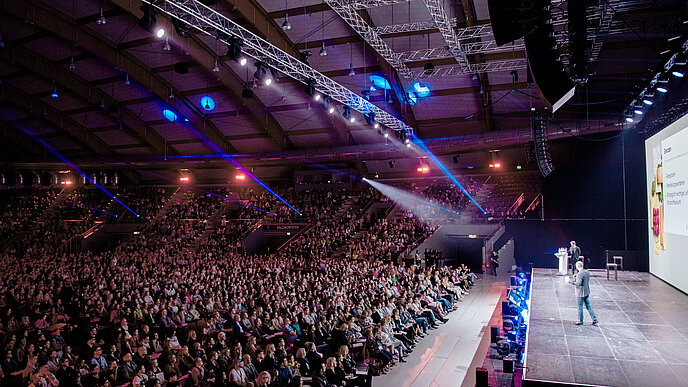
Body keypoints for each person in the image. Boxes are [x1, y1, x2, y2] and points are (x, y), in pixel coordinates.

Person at [570, 261, 598, 325]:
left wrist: (570, 282)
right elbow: (583, 276)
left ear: (577, 267)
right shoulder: (586, 272)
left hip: (580, 293)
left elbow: (578, 283)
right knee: (588, 306)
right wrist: (576, 276)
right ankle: (594, 319)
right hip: (586, 292)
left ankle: (580, 321)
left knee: (580, 307)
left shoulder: (579, 274)